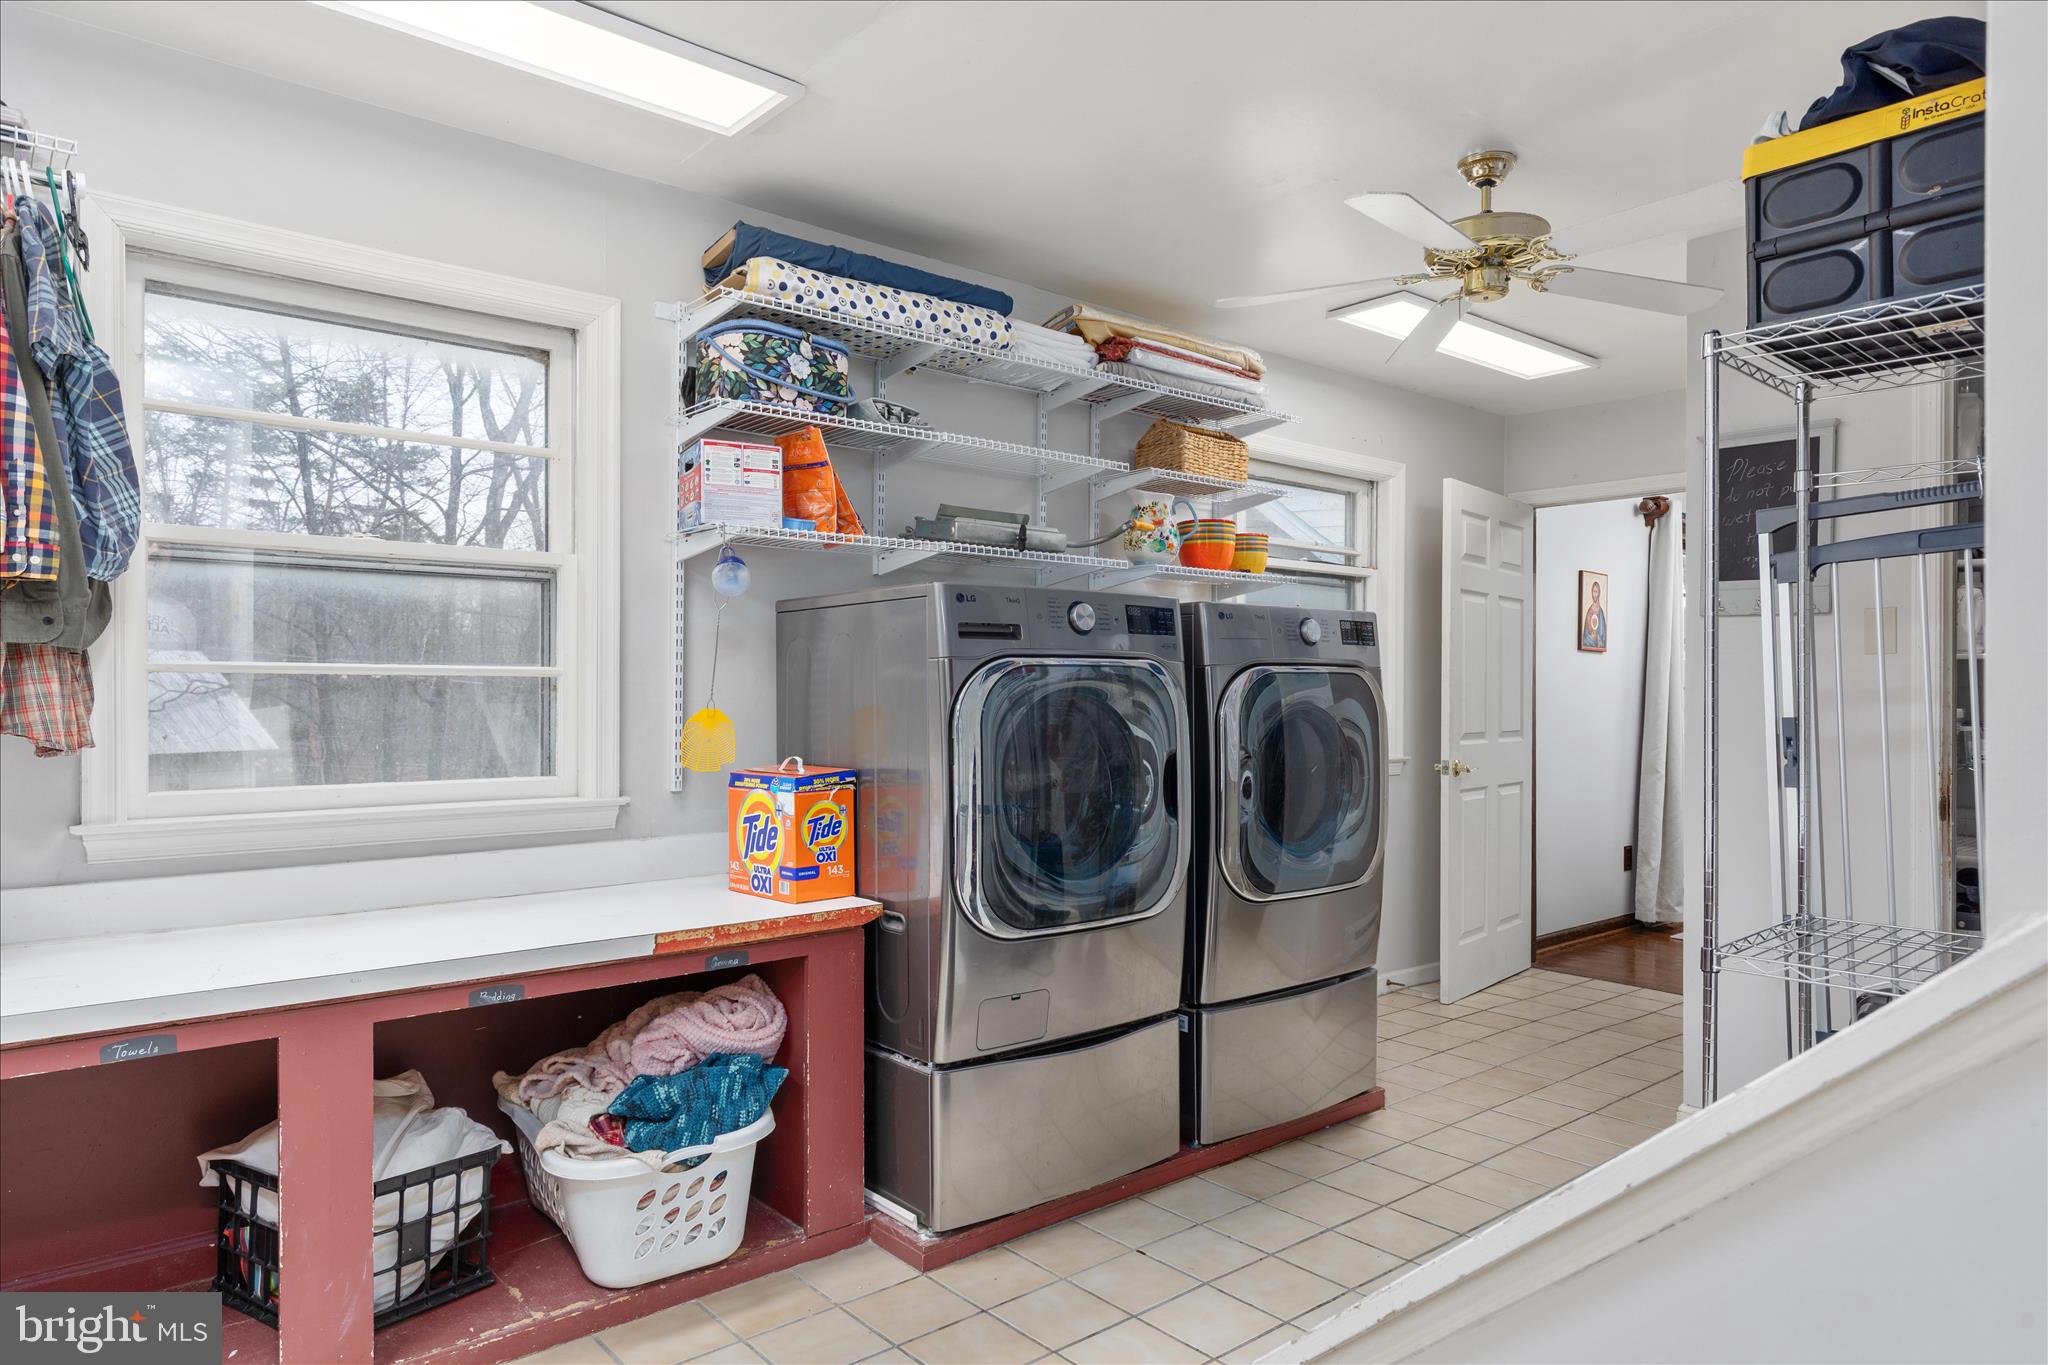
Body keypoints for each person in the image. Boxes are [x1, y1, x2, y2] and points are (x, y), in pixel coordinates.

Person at [1582, 579, 1608, 651]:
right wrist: (1591, 637)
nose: (1594, 594)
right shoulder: (1589, 611)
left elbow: (1604, 635)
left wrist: (1598, 638)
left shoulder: (1601, 612)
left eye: (1596, 592)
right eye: (1593, 592)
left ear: (1599, 593)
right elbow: (1585, 635)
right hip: (1589, 643)